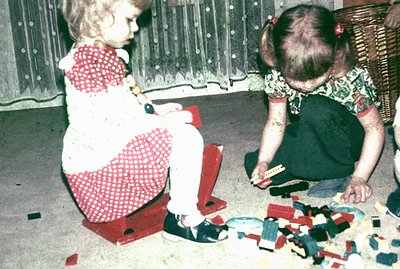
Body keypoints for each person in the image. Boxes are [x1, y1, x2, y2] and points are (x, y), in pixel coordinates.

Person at [58, 0, 227, 244]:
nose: (136, 28)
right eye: (130, 19)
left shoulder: (99, 54)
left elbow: (123, 103)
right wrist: (163, 124)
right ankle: (183, 218)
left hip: (108, 153)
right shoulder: (87, 67)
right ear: (97, 19)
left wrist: (154, 110)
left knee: (177, 129)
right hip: (100, 168)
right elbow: (110, 126)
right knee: (187, 137)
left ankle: (182, 211)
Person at [244, 4, 385, 204]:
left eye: (315, 77)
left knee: (314, 106)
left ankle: (338, 171)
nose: (306, 85)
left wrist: (360, 177)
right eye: (295, 78)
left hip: (350, 141)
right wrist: (264, 161)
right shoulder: (276, 75)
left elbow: (375, 128)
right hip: (314, 129)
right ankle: (313, 165)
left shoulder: (350, 80)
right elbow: (276, 123)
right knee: (256, 164)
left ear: (334, 58)